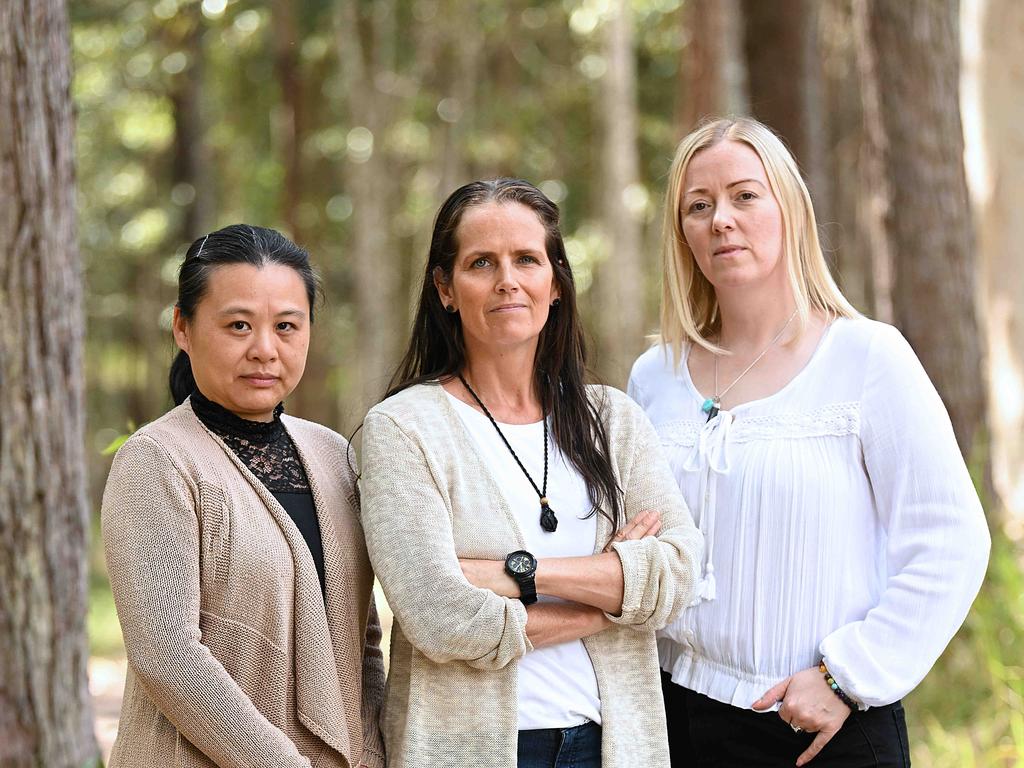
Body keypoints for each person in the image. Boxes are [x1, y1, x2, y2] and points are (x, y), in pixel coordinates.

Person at [628, 116, 991, 768]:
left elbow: (951, 541)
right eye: (698, 206)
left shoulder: (867, 358)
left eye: (745, 195)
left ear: (789, 208)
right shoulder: (653, 378)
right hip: (678, 720)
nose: (721, 221)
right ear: (680, 233)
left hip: (823, 731)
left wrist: (846, 677)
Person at [357, 178, 703, 768]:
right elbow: (441, 615)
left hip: (611, 745)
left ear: (556, 283)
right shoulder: (402, 428)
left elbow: (678, 574)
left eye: (526, 259)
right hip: (469, 750)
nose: (507, 281)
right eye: (481, 263)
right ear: (445, 288)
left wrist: (512, 574)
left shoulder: (613, 420)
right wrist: (608, 599)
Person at [101, 224, 385, 768]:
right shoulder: (156, 460)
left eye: (286, 326)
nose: (264, 349)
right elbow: (167, 654)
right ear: (183, 328)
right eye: (237, 325)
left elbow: (361, 639)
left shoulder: (331, 454)